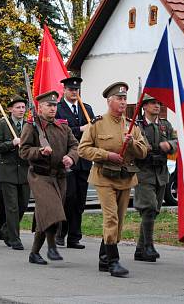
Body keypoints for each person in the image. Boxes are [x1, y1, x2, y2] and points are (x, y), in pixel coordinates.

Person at [78, 82, 148, 277]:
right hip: (104, 177)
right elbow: (83, 149)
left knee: (120, 219)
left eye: (125, 98)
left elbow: (143, 152)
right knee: (111, 218)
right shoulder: (97, 123)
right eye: (119, 98)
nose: (123, 102)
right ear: (110, 101)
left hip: (125, 177)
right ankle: (113, 261)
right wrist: (107, 155)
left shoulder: (132, 125)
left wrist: (132, 143)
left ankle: (103, 258)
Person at [19, 91, 79, 265]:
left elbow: (75, 145)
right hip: (40, 175)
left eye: (54, 105)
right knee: (53, 211)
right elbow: (23, 151)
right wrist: (39, 151)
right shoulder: (31, 127)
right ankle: (52, 246)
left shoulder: (63, 127)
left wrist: (71, 157)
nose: (53, 108)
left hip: (59, 176)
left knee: (45, 213)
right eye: (49, 105)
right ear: (40, 107)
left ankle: (34, 253)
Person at [134, 94, 177, 262]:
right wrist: (149, 149)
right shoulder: (138, 126)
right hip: (144, 172)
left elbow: (176, 141)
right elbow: (137, 146)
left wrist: (169, 146)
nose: (157, 106)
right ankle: (148, 246)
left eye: (159, 103)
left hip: (161, 172)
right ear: (144, 106)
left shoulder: (165, 125)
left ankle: (140, 249)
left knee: (153, 211)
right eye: (153, 103)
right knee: (149, 207)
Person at [55, 77, 95, 249]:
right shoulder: (58, 109)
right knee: (68, 197)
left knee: (80, 200)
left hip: (84, 161)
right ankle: (60, 232)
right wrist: (80, 129)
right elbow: (57, 132)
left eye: (76, 90)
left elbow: (93, 132)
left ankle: (74, 236)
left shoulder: (87, 109)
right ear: (64, 90)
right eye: (71, 89)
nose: (74, 92)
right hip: (67, 160)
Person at [0, 95, 30, 250]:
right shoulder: (3, 124)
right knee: (12, 206)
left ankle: (6, 229)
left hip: (25, 171)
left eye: (23, 107)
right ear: (10, 109)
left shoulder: (28, 125)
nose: (21, 110)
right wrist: (11, 143)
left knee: (23, 205)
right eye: (18, 107)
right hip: (8, 171)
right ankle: (14, 238)